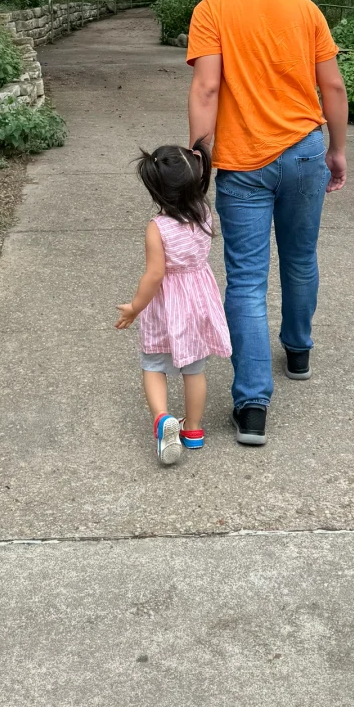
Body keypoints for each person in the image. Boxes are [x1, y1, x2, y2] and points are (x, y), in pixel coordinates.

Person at [186, 0, 348, 448]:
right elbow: (333, 86)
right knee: (301, 258)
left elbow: (207, 88)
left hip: (244, 163)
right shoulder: (305, 8)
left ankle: (252, 407)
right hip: (305, 153)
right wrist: (337, 150)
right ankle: (298, 352)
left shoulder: (212, 11)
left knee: (246, 282)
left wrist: (198, 161)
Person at [115, 142, 232, 465]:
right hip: (198, 300)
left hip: (166, 307)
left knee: (154, 363)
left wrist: (135, 307)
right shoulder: (204, 214)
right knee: (194, 369)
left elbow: (155, 275)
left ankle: (163, 418)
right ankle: (193, 429)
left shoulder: (158, 228)